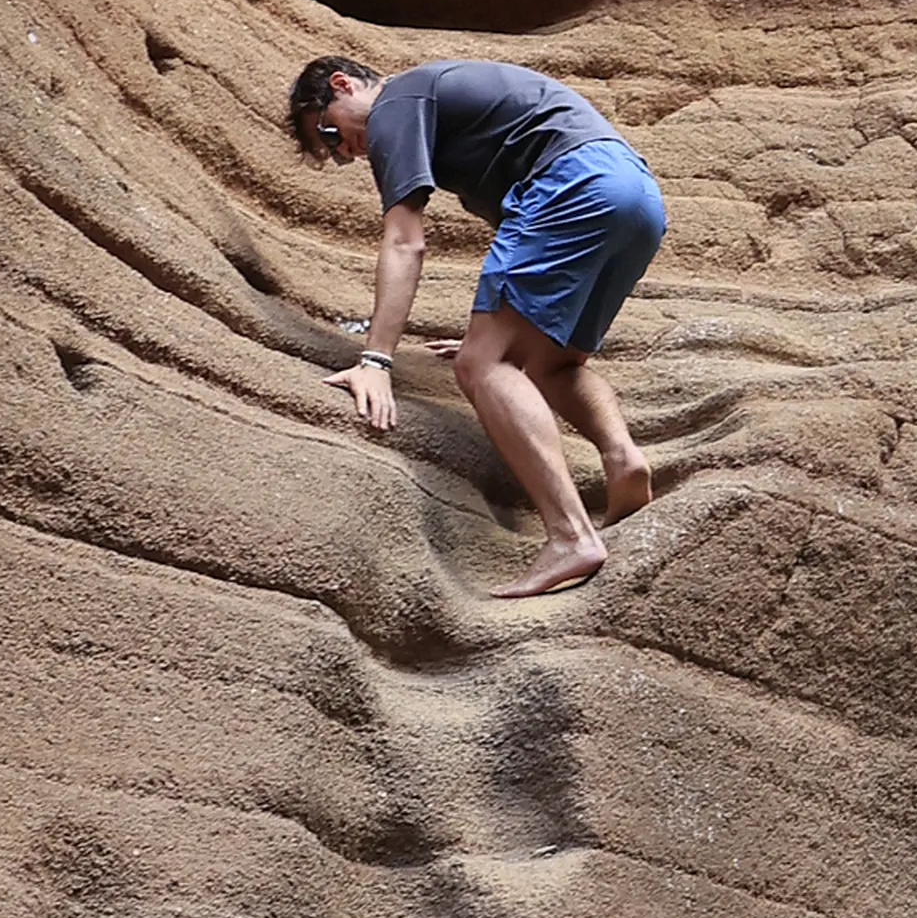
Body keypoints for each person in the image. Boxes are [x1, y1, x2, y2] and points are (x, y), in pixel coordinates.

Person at [285, 49, 665, 595]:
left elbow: (405, 240)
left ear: (343, 86)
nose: (345, 150)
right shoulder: (443, 104)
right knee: (551, 363)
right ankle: (623, 460)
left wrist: (374, 360)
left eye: (329, 133)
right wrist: (494, 335)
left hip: (572, 183)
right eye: (334, 154)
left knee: (484, 367)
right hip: (635, 195)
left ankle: (570, 536)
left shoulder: (397, 102)